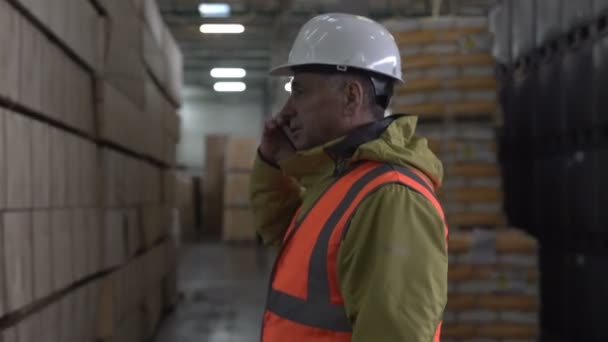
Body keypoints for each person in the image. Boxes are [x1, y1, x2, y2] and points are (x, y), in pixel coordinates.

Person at [250, 13, 448, 342]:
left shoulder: (391, 199)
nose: (286, 111)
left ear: (351, 97)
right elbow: (288, 238)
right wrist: (274, 162)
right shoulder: (342, 178)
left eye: (299, 92)